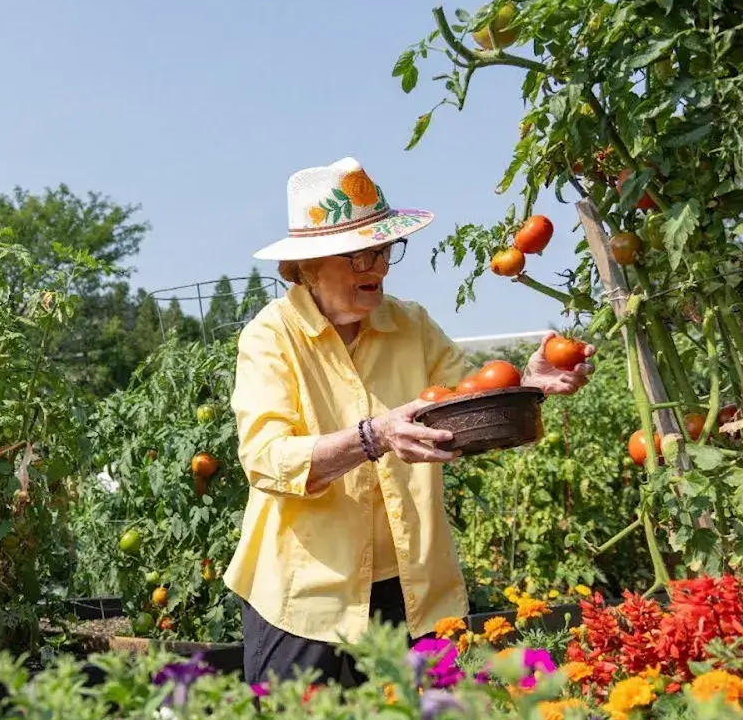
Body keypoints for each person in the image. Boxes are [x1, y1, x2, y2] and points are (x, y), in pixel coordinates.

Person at [222, 156, 594, 687]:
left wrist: (528, 387)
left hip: (414, 591)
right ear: (308, 267)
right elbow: (265, 459)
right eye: (356, 257)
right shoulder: (271, 337)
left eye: (382, 251)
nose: (375, 267)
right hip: (307, 597)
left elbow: (466, 409)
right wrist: (374, 435)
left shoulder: (412, 325)